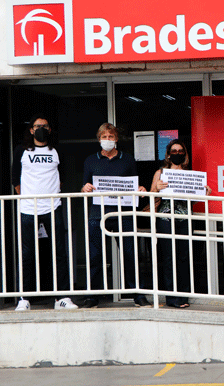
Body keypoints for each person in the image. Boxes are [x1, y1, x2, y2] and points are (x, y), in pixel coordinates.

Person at [11, 114, 78, 311]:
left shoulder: (56, 150)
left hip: (52, 207)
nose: (41, 128)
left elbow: (62, 177)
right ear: (31, 130)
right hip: (28, 210)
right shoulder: (21, 150)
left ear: (50, 129)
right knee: (27, 253)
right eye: (38, 126)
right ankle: (24, 298)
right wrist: (27, 198)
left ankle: (62, 298)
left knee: (59, 252)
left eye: (45, 126)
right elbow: (16, 179)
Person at [81, 123, 150, 308]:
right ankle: (92, 297)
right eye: (104, 137)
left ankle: (138, 294)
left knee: (130, 254)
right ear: (99, 139)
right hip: (98, 215)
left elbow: (134, 184)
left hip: (123, 214)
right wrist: (85, 188)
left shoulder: (127, 160)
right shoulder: (90, 160)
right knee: (95, 257)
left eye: (111, 137)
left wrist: (141, 189)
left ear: (117, 139)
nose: (108, 140)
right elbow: (84, 186)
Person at [149, 139, 210, 308]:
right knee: (169, 258)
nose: (177, 154)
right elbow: (151, 196)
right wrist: (157, 189)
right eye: (173, 151)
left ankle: (183, 296)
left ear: (185, 154)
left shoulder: (189, 174)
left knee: (184, 257)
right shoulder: (160, 173)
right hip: (165, 218)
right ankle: (171, 298)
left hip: (185, 219)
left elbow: (193, 201)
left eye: (180, 151)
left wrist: (204, 193)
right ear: (168, 154)